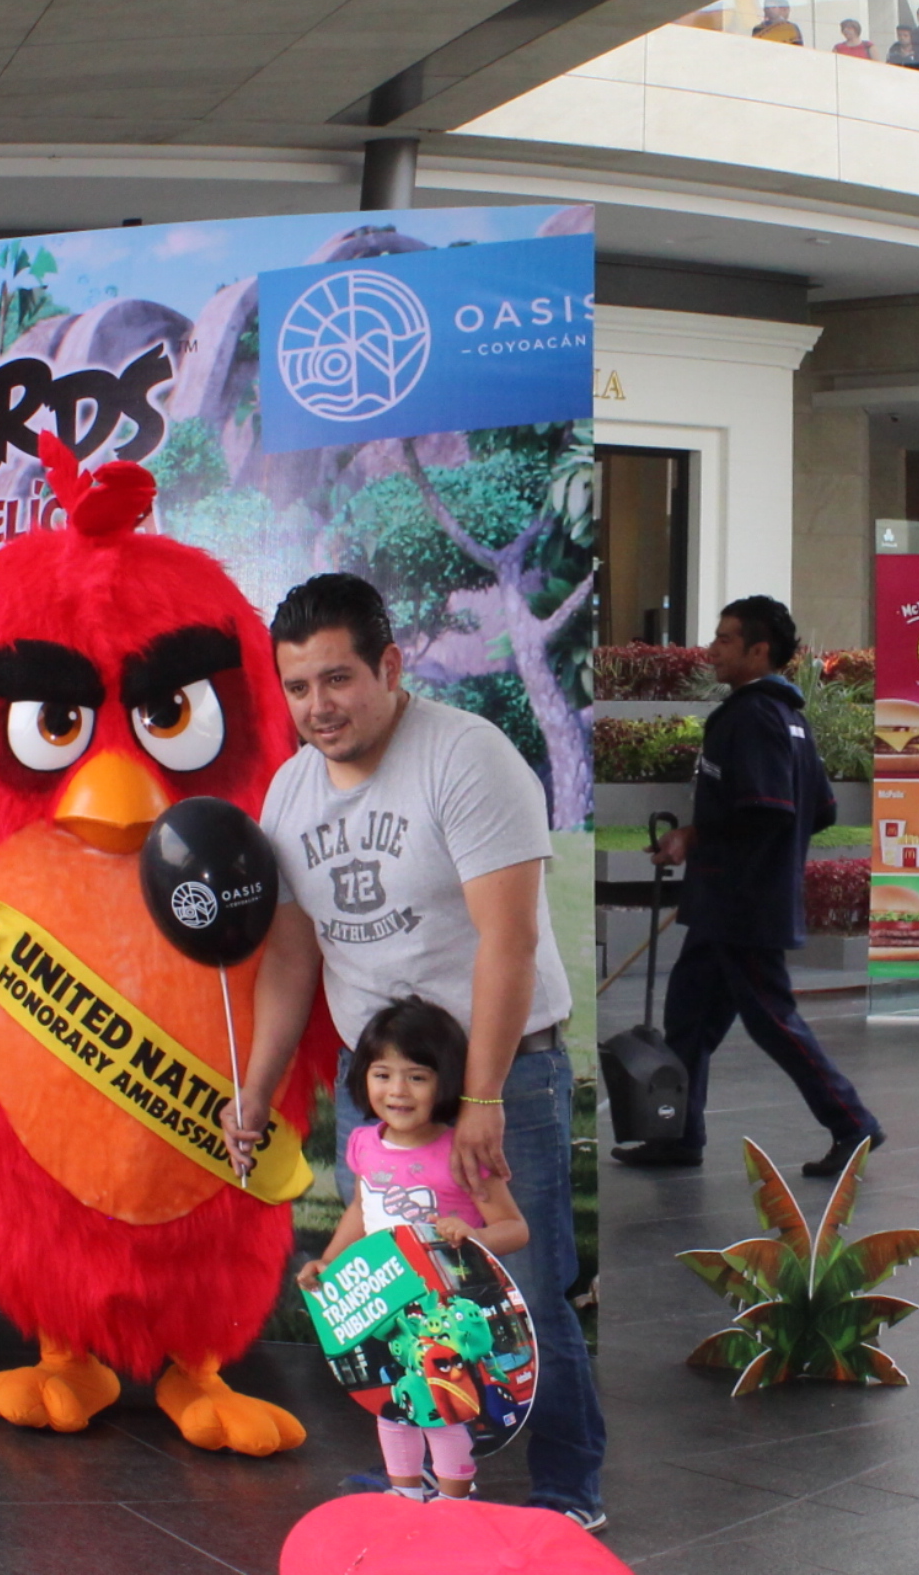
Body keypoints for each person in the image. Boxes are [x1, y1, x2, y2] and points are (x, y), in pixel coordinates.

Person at [226, 573, 607, 1531]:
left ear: (390, 667)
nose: (319, 706)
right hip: (382, 1091)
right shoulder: (290, 789)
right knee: (400, 1293)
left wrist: (480, 1098)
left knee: (522, 1288)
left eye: (339, 679)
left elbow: (509, 940)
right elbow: (290, 957)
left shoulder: (467, 757)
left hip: (499, 1071)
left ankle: (568, 1490)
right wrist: (256, 1091)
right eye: (299, 686)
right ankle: (431, 1479)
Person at [614, 597, 884, 1179]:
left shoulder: (754, 716)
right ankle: (677, 1135)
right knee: (689, 1017)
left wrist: (694, 837)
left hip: (742, 905)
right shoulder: (790, 718)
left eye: (725, 639)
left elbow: (767, 808)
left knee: (773, 1020)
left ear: (759, 651)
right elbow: (822, 809)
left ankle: (852, 1123)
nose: (712, 649)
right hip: (729, 902)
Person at [298, 999, 531, 1502]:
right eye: (382, 1074)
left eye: (417, 1077)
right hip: (387, 1309)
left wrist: (471, 1237)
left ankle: (454, 1503)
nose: (397, 1091)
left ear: (446, 1082)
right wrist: (331, 1262)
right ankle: (404, 1498)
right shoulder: (364, 1143)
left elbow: (515, 1229)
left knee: (442, 1411)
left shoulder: (460, 1152)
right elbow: (362, 1209)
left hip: (442, 1315)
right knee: (393, 1408)